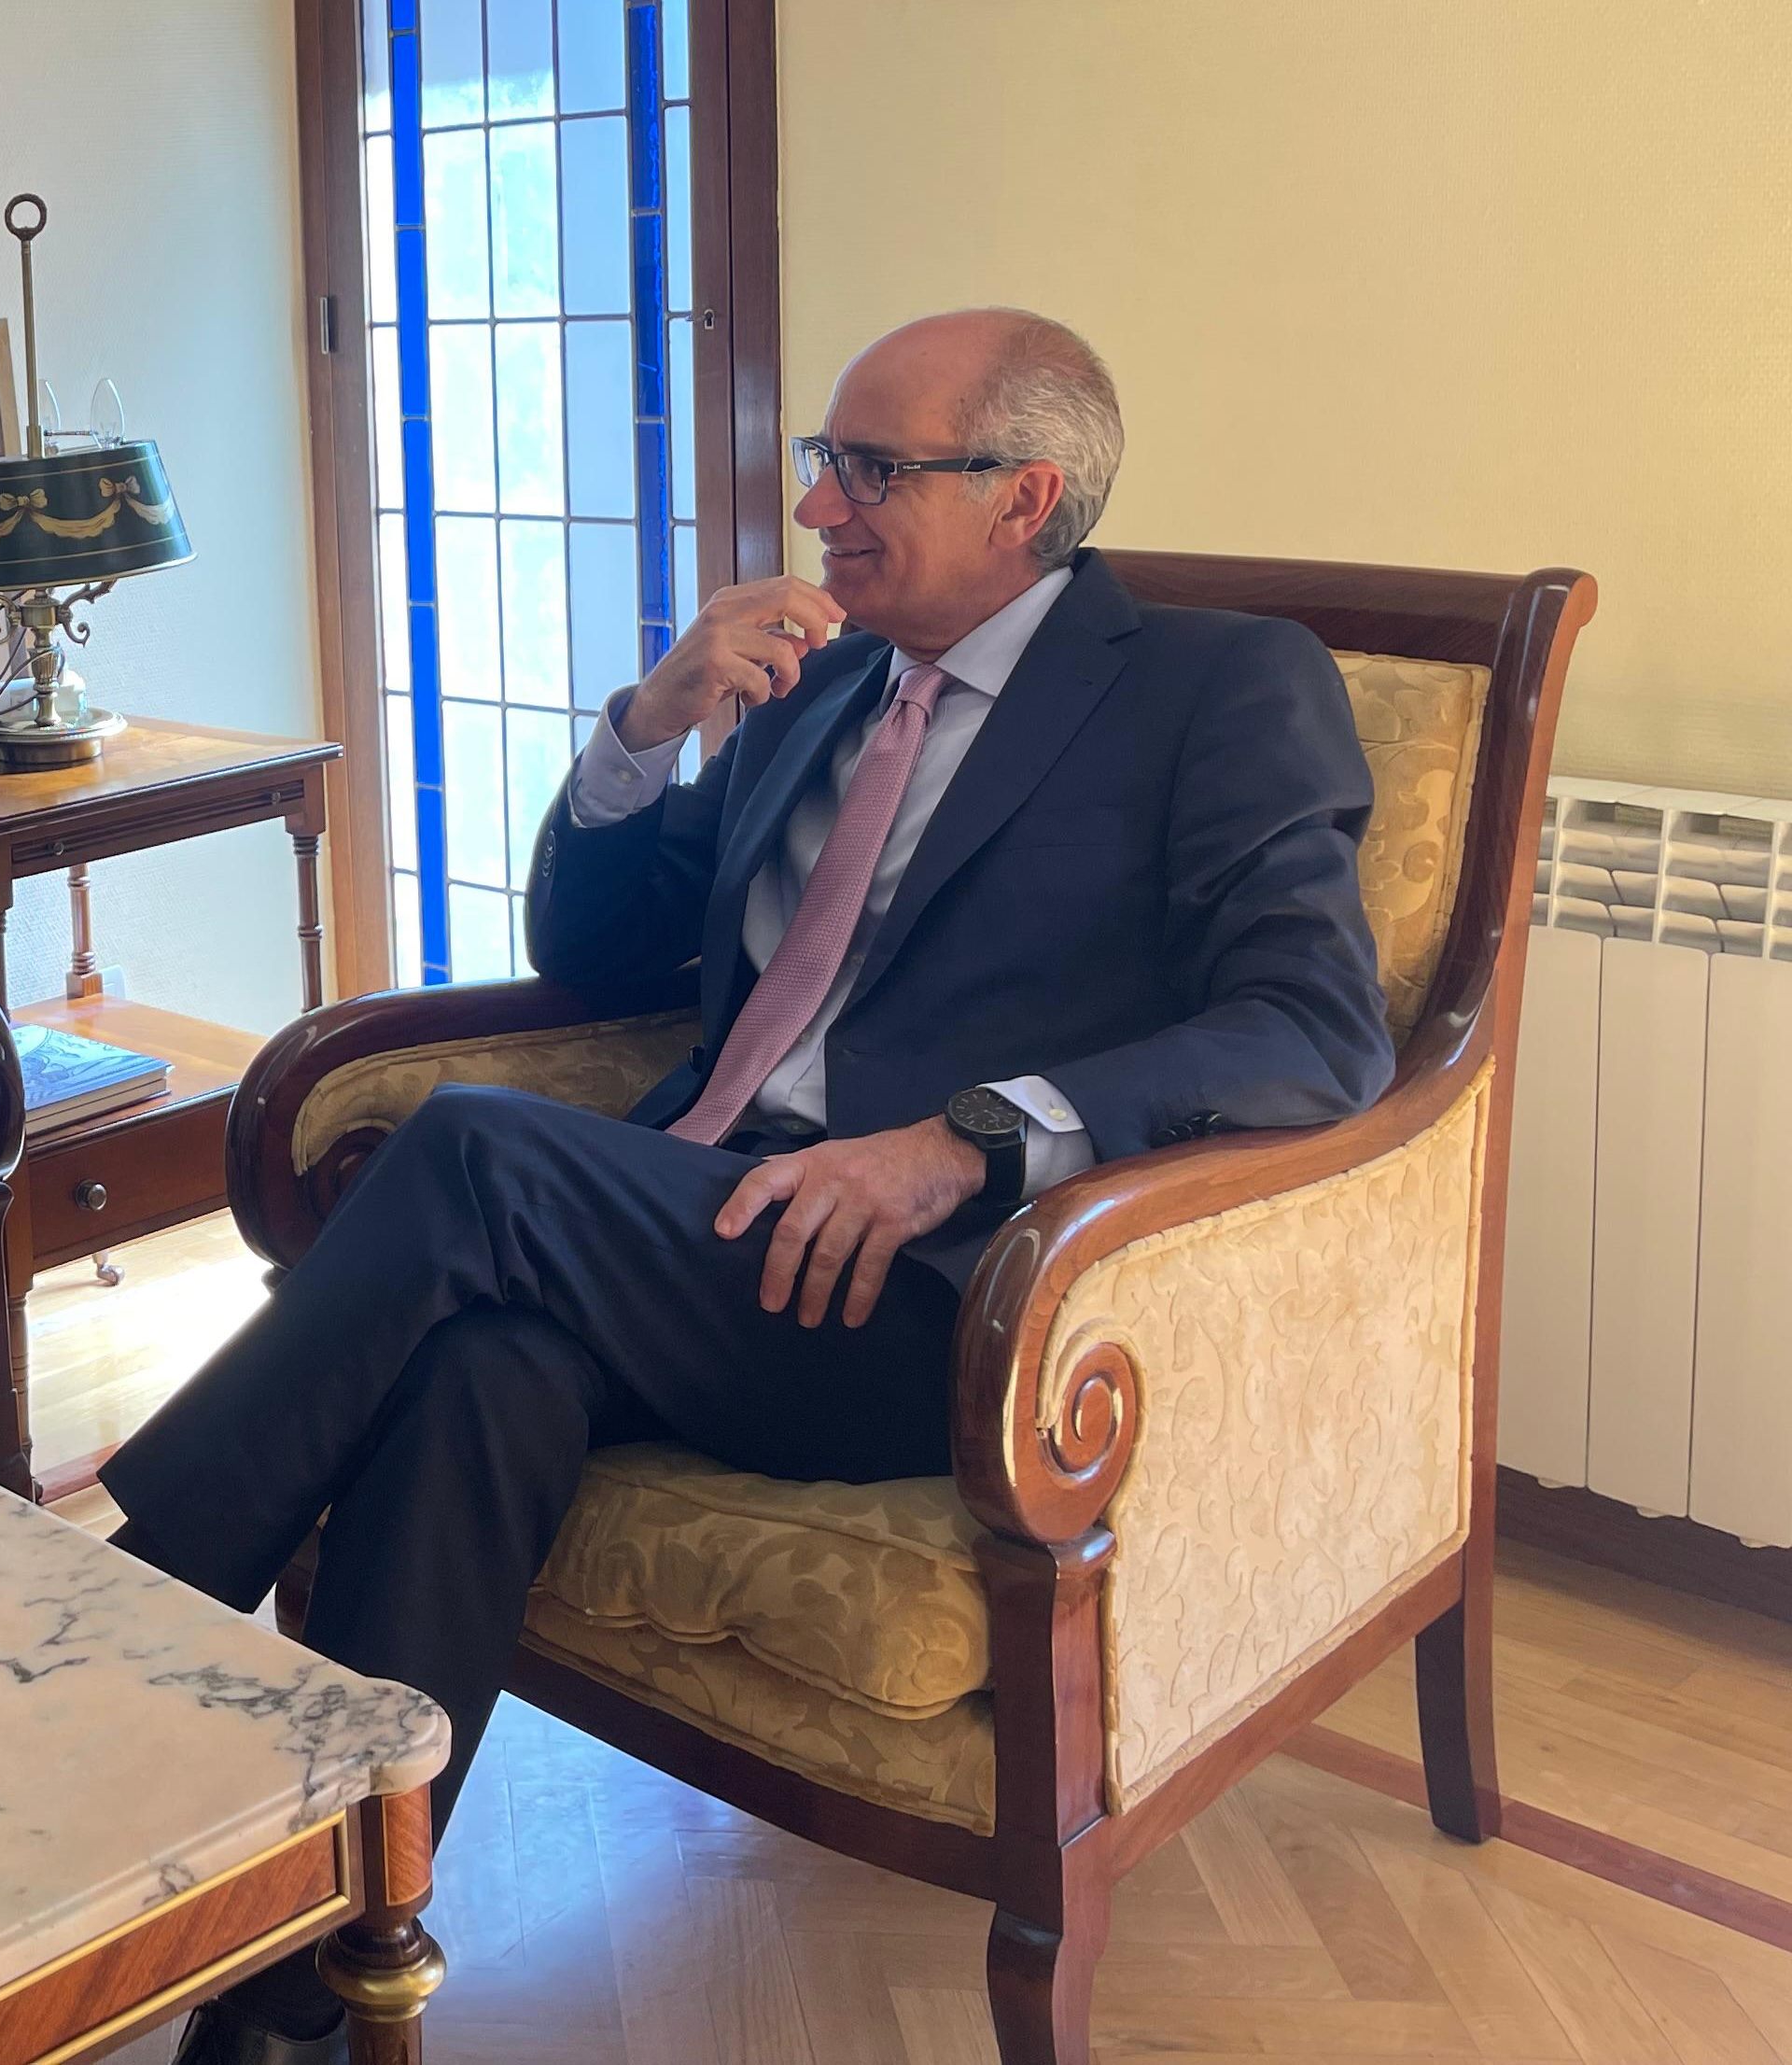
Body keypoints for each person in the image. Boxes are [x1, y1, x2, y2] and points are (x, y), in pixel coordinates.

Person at [125, 309, 1394, 2064]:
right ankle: (298, 2006)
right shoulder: (823, 696)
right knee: (482, 1376)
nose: (819, 507)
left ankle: (121, 1607)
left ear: (1027, 496)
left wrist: (971, 1137)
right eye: (824, 458)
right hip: (685, 1222)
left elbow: (1317, 1031)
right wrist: (648, 727)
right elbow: (600, 953)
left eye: (873, 468)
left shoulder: (1214, 684)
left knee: (478, 1148)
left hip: (928, 1295)